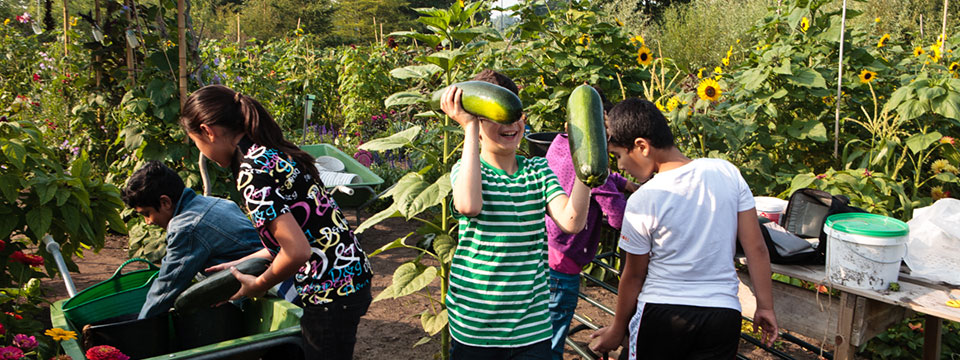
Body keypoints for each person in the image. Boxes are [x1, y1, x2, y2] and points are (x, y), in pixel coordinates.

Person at [179, 85, 373, 360]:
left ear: (208, 131)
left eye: (196, 141)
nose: (202, 150)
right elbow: (301, 235)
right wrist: (242, 263)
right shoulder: (271, 153)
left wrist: (257, 285)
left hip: (330, 290)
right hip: (349, 276)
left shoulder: (251, 173)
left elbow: (297, 252)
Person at [588, 98, 778, 359]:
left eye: (619, 156)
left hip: (662, 314)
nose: (620, 166)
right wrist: (765, 306)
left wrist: (617, 329)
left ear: (641, 146)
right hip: (722, 315)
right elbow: (756, 248)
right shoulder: (727, 172)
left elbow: (633, 275)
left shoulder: (644, 198)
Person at [442, 69, 592, 360]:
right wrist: (469, 128)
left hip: (532, 328)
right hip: (476, 328)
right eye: (495, 117)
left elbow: (572, 221)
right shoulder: (469, 171)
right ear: (476, 119)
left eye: (515, 115)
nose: (510, 124)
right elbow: (468, 205)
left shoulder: (537, 170)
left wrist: (589, 164)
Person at [544, 89, 637, 359]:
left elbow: (607, 178)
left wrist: (628, 183)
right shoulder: (590, 165)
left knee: (542, 335)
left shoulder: (560, 143)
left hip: (548, 253)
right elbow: (619, 217)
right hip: (564, 266)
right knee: (551, 341)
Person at [121, 160, 263, 319]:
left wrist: (141, 325)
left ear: (165, 202)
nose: (148, 221)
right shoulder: (216, 202)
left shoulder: (186, 226)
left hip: (251, 294)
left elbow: (167, 285)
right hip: (263, 278)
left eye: (147, 213)